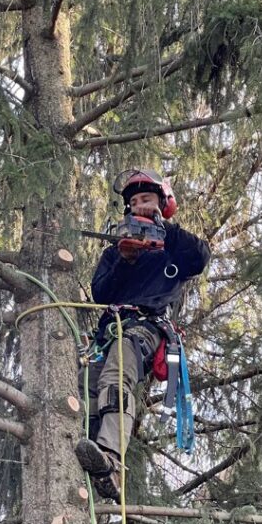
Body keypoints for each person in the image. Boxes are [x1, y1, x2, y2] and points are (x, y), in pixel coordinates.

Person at [75, 167, 211, 501]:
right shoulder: (117, 251)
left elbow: (200, 257)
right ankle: (87, 455)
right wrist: (124, 260)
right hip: (109, 329)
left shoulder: (173, 249)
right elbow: (101, 292)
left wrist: (164, 227)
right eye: (134, 201)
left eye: (146, 199)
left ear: (163, 204)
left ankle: (112, 457)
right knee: (86, 384)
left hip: (146, 328)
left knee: (118, 372)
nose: (139, 206)